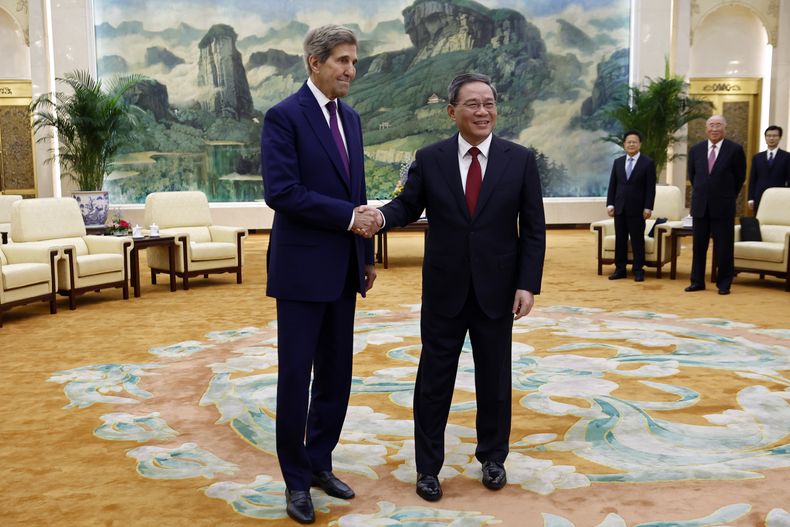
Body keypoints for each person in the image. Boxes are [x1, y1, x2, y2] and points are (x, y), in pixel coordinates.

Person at [359, 73, 546, 502]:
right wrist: (380, 218)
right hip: (444, 289)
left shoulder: (519, 160)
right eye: (473, 105)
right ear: (452, 112)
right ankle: (428, 468)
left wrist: (527, 284)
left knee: (495, 378)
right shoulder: (431, 158)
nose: (483, 112)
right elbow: (407, 204)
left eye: (489, 103)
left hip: (497, 290)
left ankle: (493, 456)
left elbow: (533, 229)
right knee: (434, 380)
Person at [260, 24, 380, 524]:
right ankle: (294, 481)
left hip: (343, 270)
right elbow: (282, 192)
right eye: (343, 61)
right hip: (301, 271)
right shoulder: (284, 117)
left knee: (336, 377)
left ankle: (319, 463)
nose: (351, 70)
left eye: (354, 61)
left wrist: (365, 253)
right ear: (314, 62)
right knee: (296, 378)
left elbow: (356, 188)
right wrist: (350, 219)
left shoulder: (351, 118)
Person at [685, 115, 746, 295]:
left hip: (723, 206)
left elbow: (739, 178)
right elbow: (693, 176)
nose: (714, 128)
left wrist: (726, 196)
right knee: (699, 246)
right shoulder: (696, 149)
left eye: (718, 125)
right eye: (711, 125)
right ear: (706, 129)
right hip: (700, 206)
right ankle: (697, 281)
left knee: (724, 247)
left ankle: (724, 283)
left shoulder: (734, 149)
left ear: (724, 128)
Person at [605, 130, 657, 282]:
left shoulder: (648, 163)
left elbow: (650, 188)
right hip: (620, 207)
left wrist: (648, 207)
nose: (631, 144)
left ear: (640, 144)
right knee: (620, 239)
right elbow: (612, 185)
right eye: (629, 142)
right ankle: (620, 269)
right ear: (624, 144)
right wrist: (610, 204)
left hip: (638, 209)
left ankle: (638, 270)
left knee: (637, 240)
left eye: (634, 142)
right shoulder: (618, 162)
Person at [748, 125, 789, 213]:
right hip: (759, 197)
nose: (771, 138)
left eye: (774, 136)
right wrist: (750, 198)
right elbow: (753, 179)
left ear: (780, 137)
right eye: (769, 136)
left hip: (779, 197)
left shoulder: (787, 157)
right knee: (759, 222)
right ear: (765, 137)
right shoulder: (757, 157)